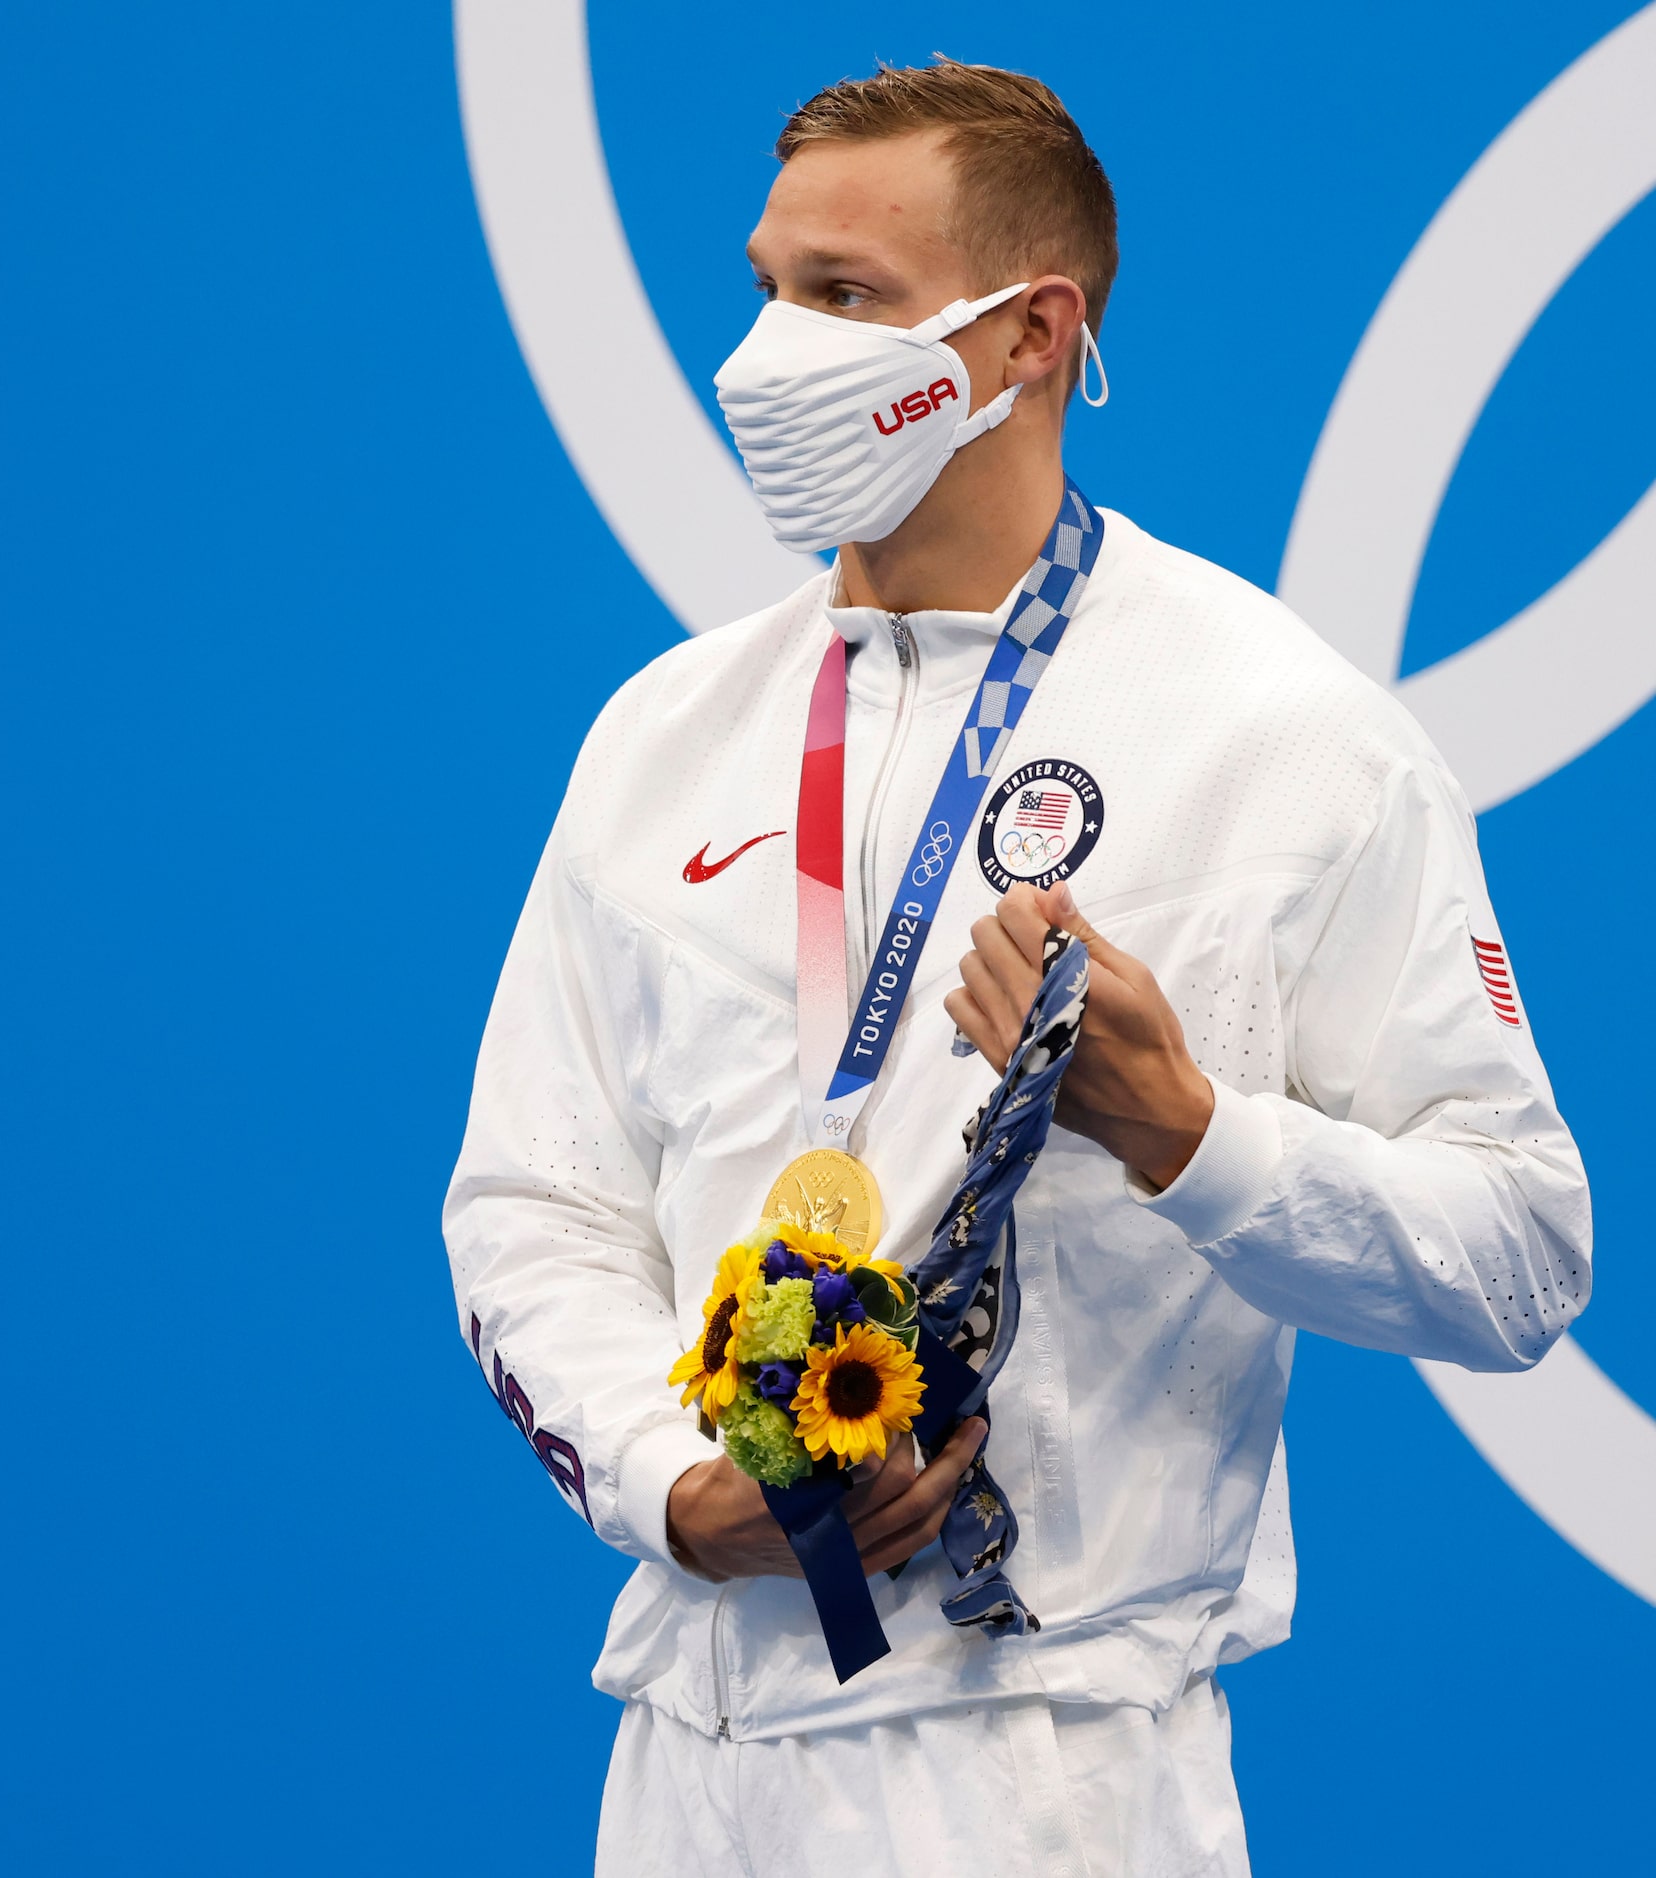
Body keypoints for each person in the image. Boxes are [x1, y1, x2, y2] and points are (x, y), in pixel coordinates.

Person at [443, 58, 1589, 1878]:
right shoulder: (661, 734)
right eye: (762, 285)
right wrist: (678, 1481)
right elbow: (533, 1200)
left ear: (1031, 334)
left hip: (1042, 1774)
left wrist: (1195, 1135)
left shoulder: (1285, 736)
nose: (765, 351)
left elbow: (1523, 1251)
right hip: (685, 1761)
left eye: (843, 299)